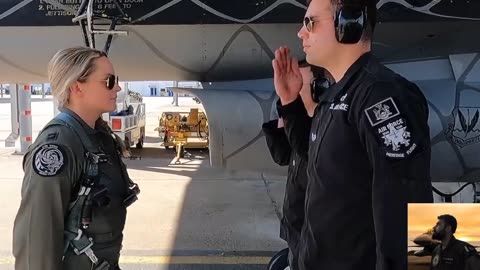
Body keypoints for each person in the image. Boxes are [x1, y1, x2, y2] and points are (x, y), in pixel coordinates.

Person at [272, 0, 433, 269]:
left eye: (310, 23)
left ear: (349, 24)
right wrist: (290, 105)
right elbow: (311, 159)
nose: (301, 33)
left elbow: (405, 207)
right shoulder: (335, 97)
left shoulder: (380, 95)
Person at [13, 46, 140, 270]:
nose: (117, 87)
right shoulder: (57, 148)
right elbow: (37, 239)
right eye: (109, 81)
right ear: (76, 86)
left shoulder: (99, 137)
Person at [263, 61, 326, 270]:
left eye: (299, 85)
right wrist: (285, 108)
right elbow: (281, 155)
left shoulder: (326, 131)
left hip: (316, 242)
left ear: (320, 89)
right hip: (298, 233)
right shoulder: (302, 126)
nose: (293, 90)